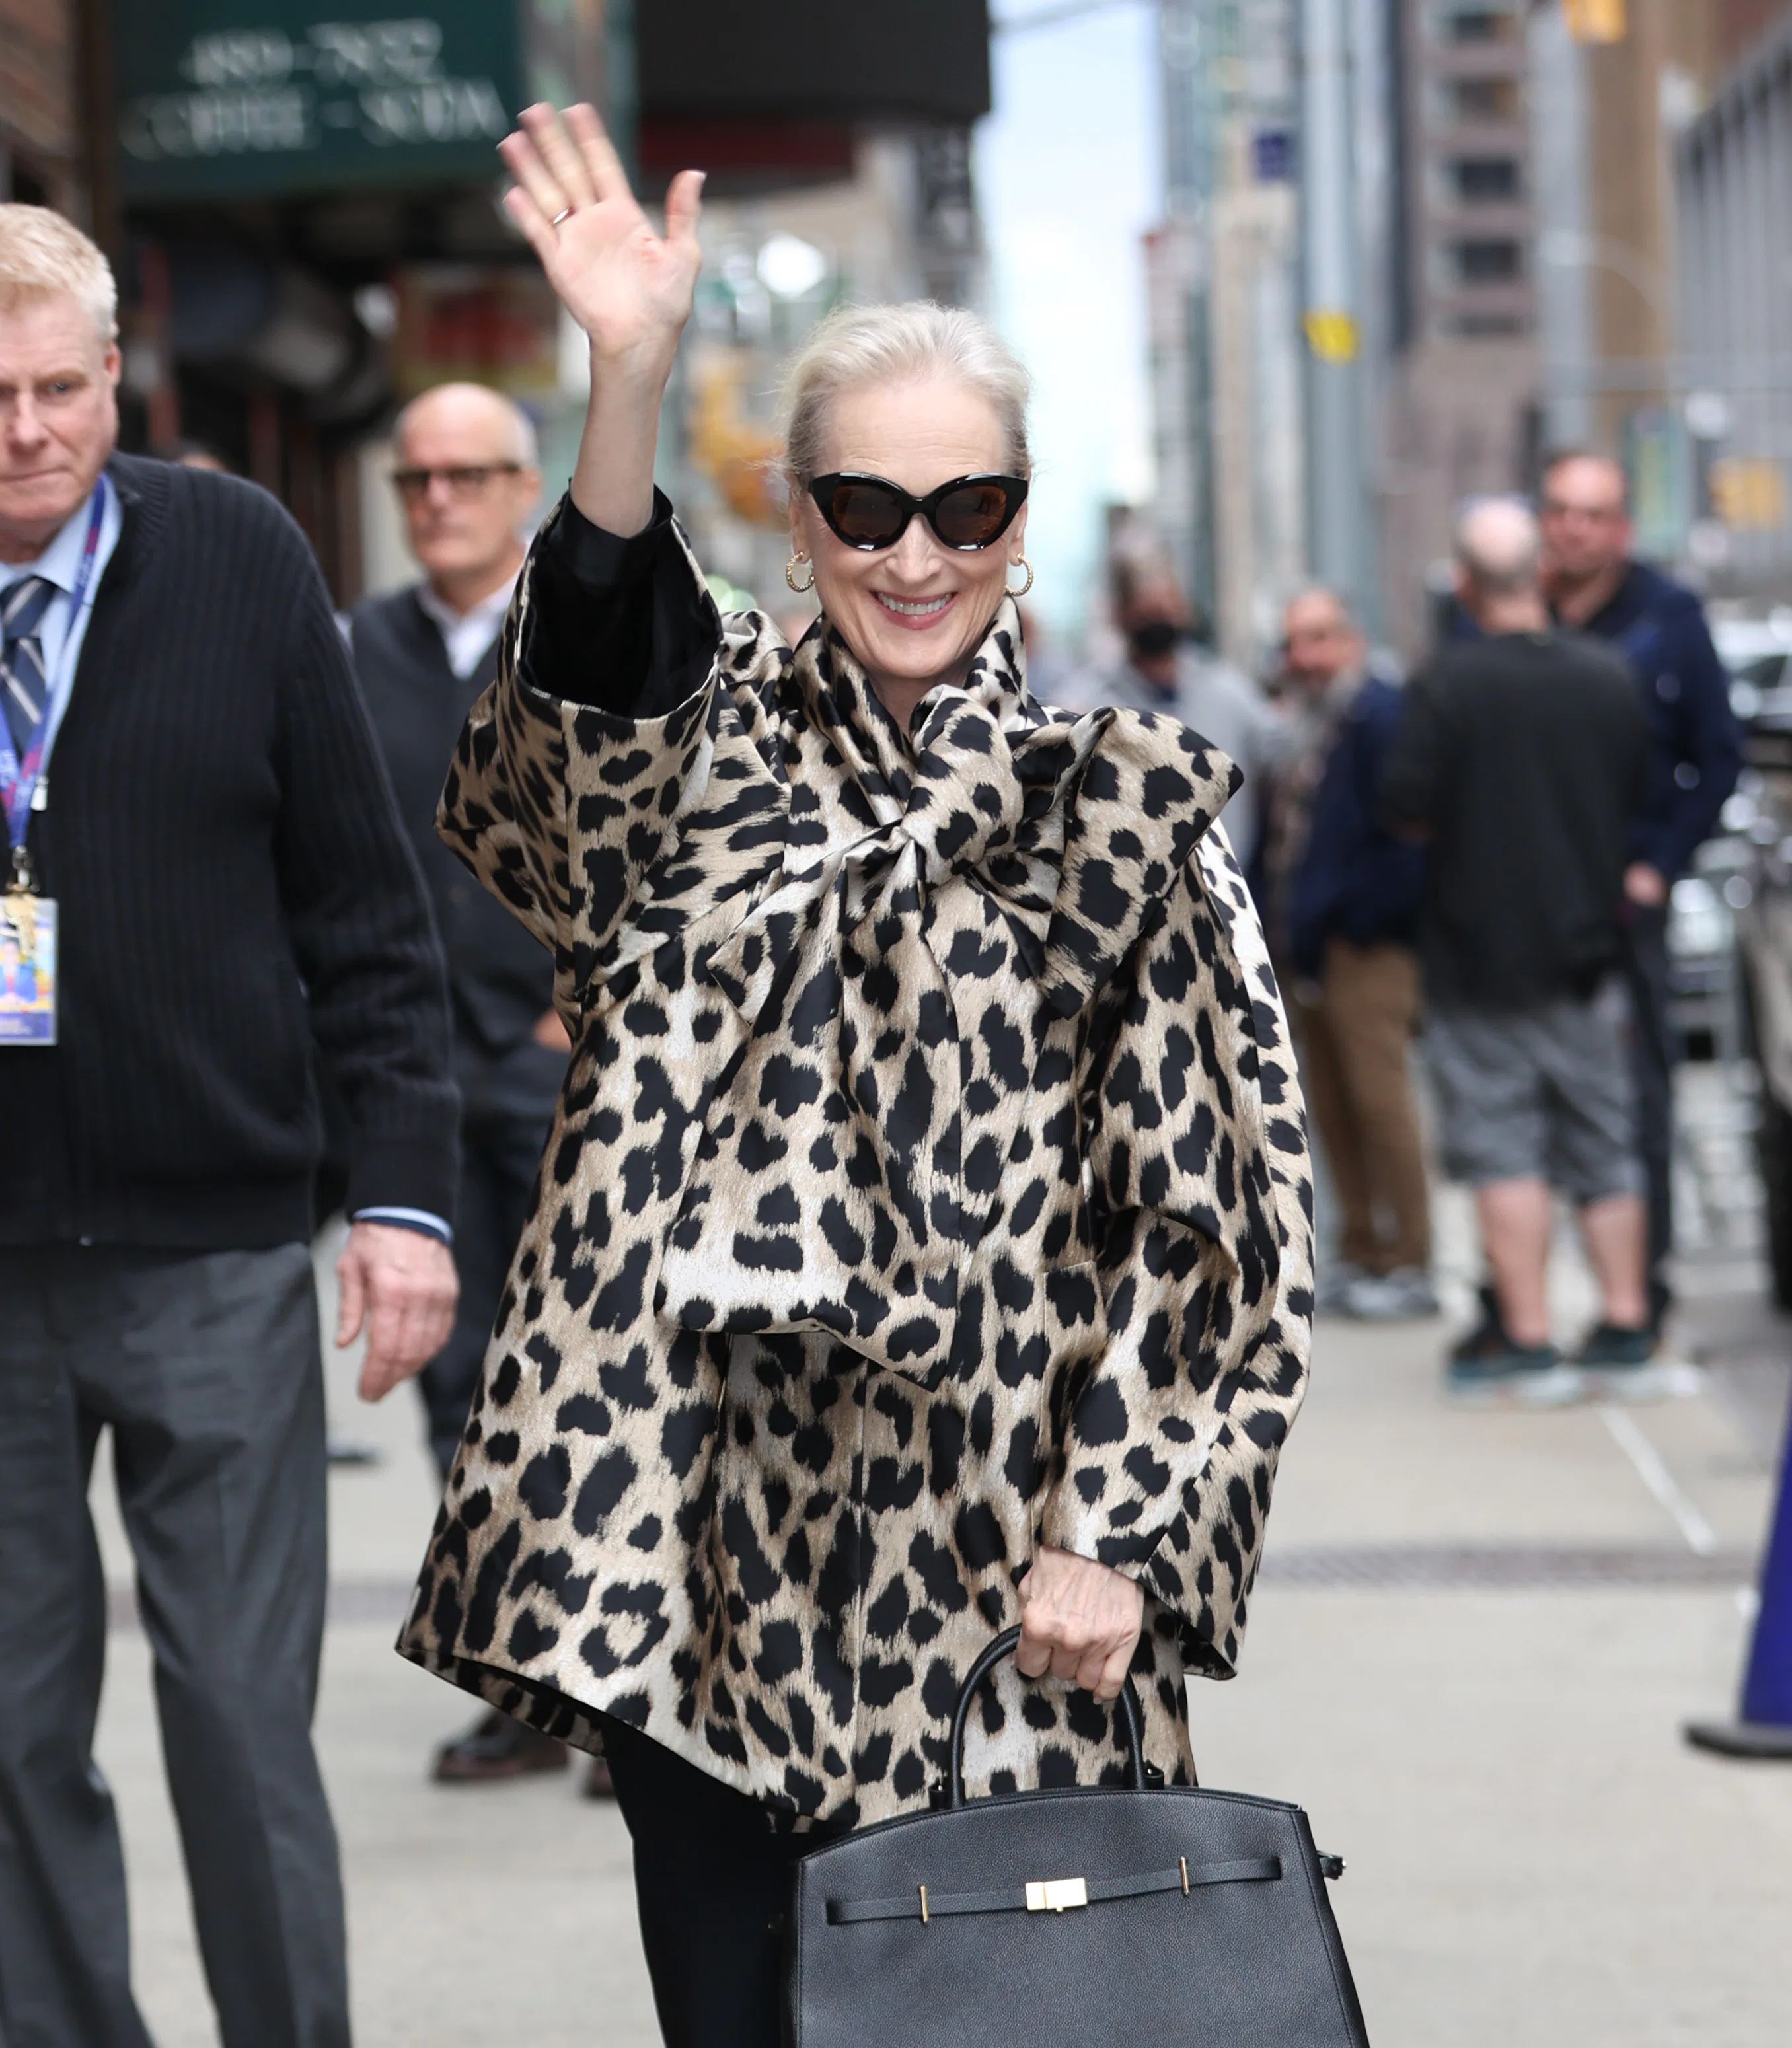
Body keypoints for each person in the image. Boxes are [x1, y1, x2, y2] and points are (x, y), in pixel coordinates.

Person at [397, 104, 1314, 2048]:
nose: (917, 554)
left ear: (1022, 513)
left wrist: (1127, 1527)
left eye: (966, 508)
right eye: (869, 509)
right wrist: (624, 381)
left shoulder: (1114, 814)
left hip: (1007, 1595)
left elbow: (1219, 1226)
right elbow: (554, 769)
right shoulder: (699, 753)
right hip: (704, 1573)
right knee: (734, 2022)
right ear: (799, 517)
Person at [0, 205, 460, 2048]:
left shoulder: (239, 552)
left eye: (56, 388)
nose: (25, 429)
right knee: (10, 1726)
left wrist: (407, 1200)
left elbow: (366, 909)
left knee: (239, 1720)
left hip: (214, 1250)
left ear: (117, 376)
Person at [347, 381, 595, 1790]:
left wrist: (593, 996)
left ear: (524, 487)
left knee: (598, 1376)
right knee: (465, 1387)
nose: (437, 499)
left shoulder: (588, 639)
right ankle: (517, 1678)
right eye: (414, 478)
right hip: (412, 1077)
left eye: (467, 474)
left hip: (564, 1070)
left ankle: (635, 1704)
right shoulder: (350, 652)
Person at [1382, 497, 1651, 1401]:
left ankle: (1529, 1338)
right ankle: (1623, 1322)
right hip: (1587, 952)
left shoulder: (1448, 686)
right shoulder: (1608, 676)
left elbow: (1405, 805)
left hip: (1477, 958)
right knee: (1604, 1148)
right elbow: (1636, 793)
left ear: (1462, 584)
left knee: (1504, 1152)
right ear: (1539, 572)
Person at [1540, 451, 1744, 1336]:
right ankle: (1530, 1302)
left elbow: (1718, 757)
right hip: (1530, 904)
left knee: (1637, 1094)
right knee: (1526, 1096)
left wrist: (1659, 863)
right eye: (1562, 511)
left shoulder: (1669, 618)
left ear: (1622, 527)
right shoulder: (1514, 615)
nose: (1575, 528)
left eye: (1595, 514)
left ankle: (1640, 1290)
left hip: (1628, 902)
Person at [1273, 589, 1431, 1319]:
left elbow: (1409, 837)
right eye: (1295, 643)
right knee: (1331, 1105)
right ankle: (1364, 1247)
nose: (1306, 657)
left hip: (1367, 949)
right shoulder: (1316, 723)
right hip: (1313, 948)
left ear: (1353, 638)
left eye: (1320, 638)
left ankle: (1412, 1256)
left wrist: (1360, 923)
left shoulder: (1382, 714)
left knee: (1381, 1100)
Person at [1074, 558, 1288, 882]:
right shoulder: (1091, 704)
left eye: (1167, 607)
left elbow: (1280, 753)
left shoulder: (1227, 690)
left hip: (1226, 888)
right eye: (1146, 611)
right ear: (1122, 616)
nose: (1159, 619)